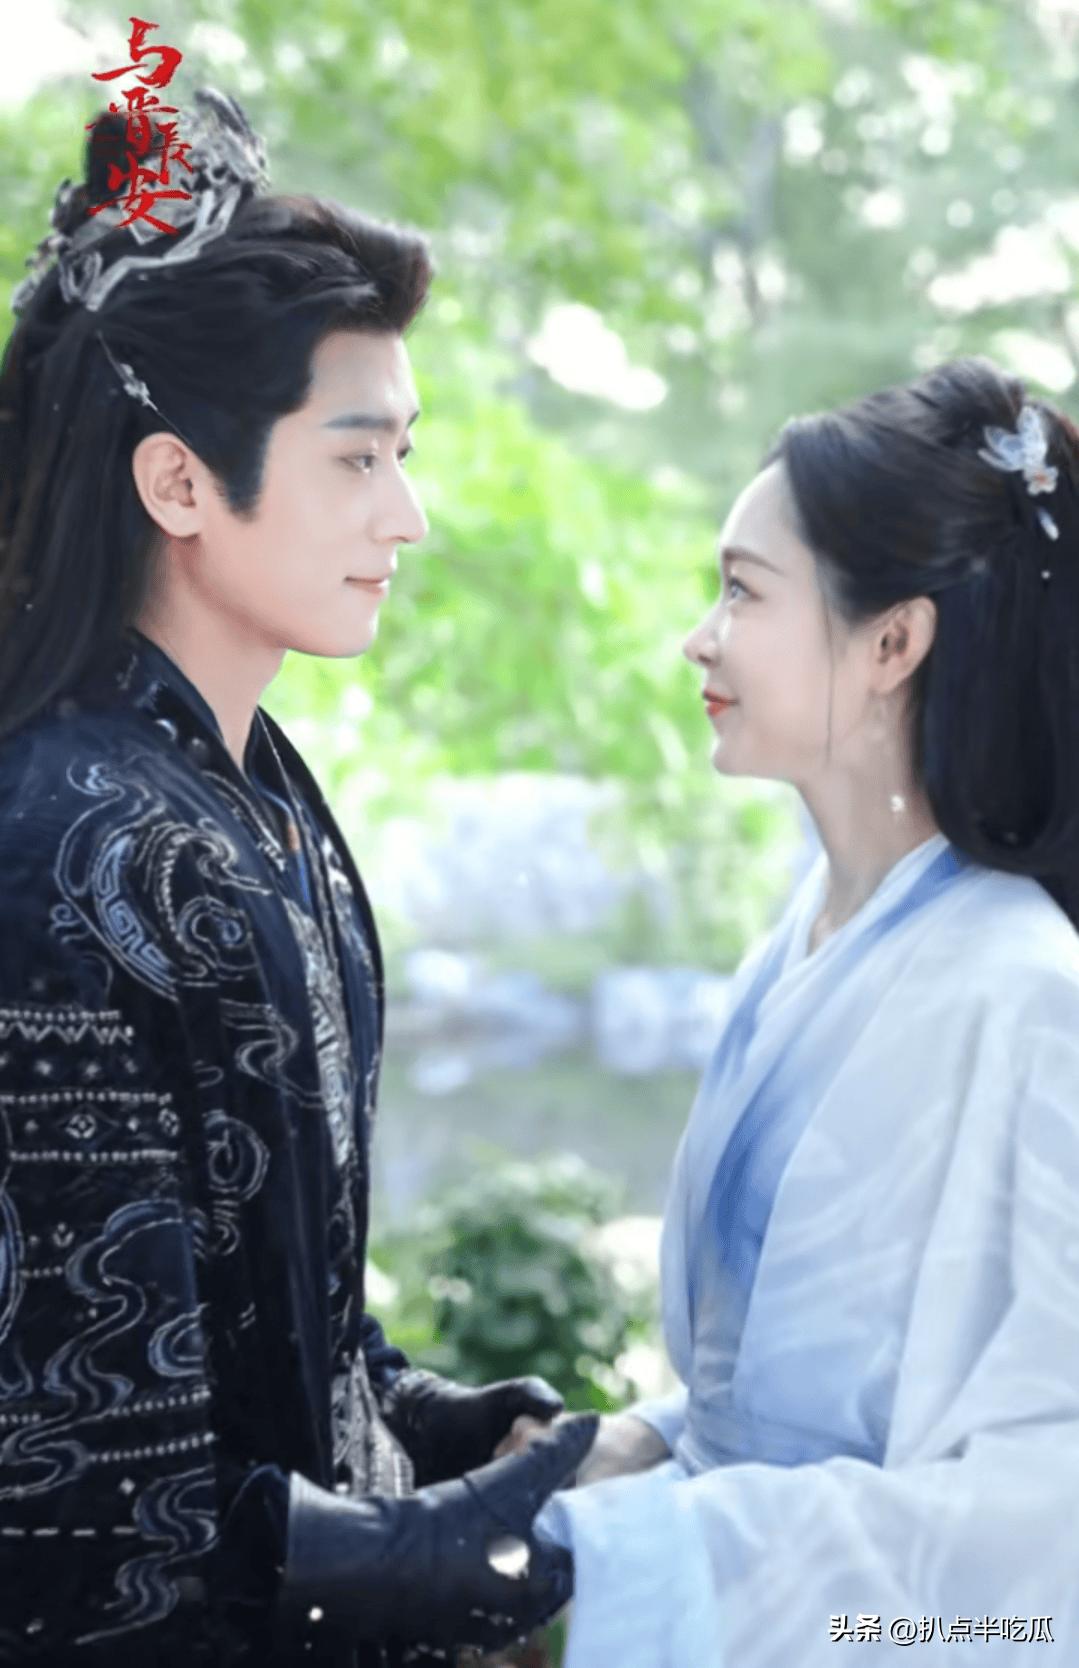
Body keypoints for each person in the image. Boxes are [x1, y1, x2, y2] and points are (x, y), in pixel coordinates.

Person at [0, 87, 596, 1667]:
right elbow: (68, 1488)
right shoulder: (59, 847)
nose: (408, 515)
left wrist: (423, 1418)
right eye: (357, 459)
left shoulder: (253, 795)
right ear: (179, 483)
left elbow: (261, 1287)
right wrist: (433, 1555)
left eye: (405, 454)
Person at [521, 357, 1079, 1663]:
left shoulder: (1024, 998)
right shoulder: (807, 941)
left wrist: (595, 1558)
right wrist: (637, 1443)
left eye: (742, 589)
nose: (699, 636)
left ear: (892, 643)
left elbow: (1040, 1529)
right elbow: (786, 1404)